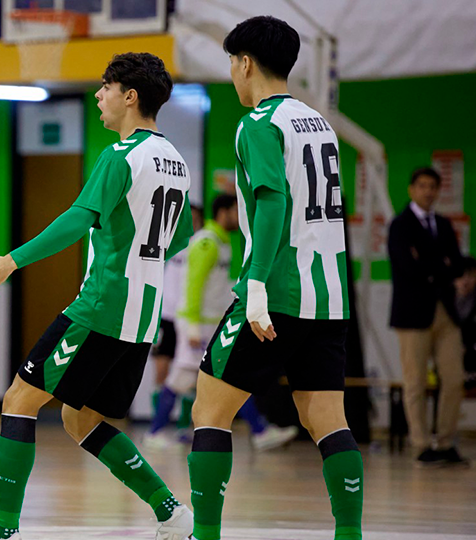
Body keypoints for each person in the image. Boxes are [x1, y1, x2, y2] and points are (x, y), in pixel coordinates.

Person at [0, 52, 195, 540]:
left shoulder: (121, 155)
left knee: (19, 399)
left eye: (106, 87)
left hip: (102, 306)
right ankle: (171, 511)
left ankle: (2, 528)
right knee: (80, 418)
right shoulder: (176, 161)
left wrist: (11, 260)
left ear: (130, 96)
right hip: (143, 315)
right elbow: (182, 233)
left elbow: (76, 218)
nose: (98, 96)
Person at [188, 16, 363, 540]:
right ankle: (349, 535)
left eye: (230, 65)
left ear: (244, 63)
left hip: (276, 290)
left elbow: (270, 200)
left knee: (208, 412)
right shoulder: (319, 121)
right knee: (328, 420)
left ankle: (206, 533)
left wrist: (257, 285)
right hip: (328, 296)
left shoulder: (258, 123)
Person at [145, 194, 298, 452]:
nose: (240, 216)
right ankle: (155, 432)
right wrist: (192, 327)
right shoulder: (207, 242)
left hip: (210, 323)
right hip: (198, 325)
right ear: (223, 212)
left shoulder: (223, 241)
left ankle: (259, 431)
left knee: (221, 377)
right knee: (187, 378)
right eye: (236, 210)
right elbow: (193, 286)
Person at [388, 167, 468, 468]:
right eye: (422, 186)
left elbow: (457, 264)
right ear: (411, 189)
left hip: (445, 312)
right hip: (412, 313)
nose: (428, 191)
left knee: (454, 378)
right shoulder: (400, 225)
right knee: (415, 382)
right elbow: (408, 267)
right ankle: (421, 445)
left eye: (433, 186)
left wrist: (434, 266)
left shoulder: (444, 225)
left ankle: (446, 441)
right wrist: (442, 267)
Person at [143, 205, 200, 448]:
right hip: (166, 315)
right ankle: (157, 430)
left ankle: (182, 428)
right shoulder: (166, 242)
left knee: (190, 375)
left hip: (186, 318)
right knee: (162, 370)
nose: (192, 222)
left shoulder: (202, 245)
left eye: (196, 218)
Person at [456, 257, 476, 392]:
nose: (465, 281)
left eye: (471, 275)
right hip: (451, 358)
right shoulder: (444, 302)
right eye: (461, 275)